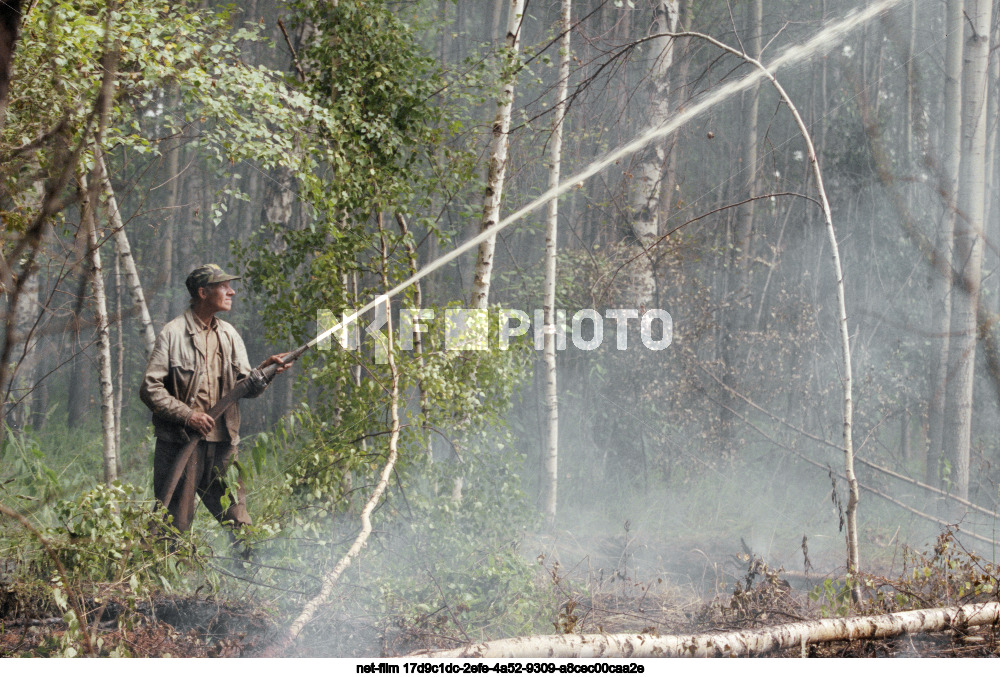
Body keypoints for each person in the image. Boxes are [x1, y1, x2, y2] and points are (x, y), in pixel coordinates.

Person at [140, 263, 289, 540]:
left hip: (223, 446)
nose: (231, 292)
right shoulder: (172, 334)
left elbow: (246, 388)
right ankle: (165, 581)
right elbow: (150, 388)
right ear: (203, 292)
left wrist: (265, 373)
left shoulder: (229, 334)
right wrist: (187, 415)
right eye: (224, 287)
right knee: (174, 528)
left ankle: (247, 577)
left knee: (239, 523)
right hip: (182, 445)